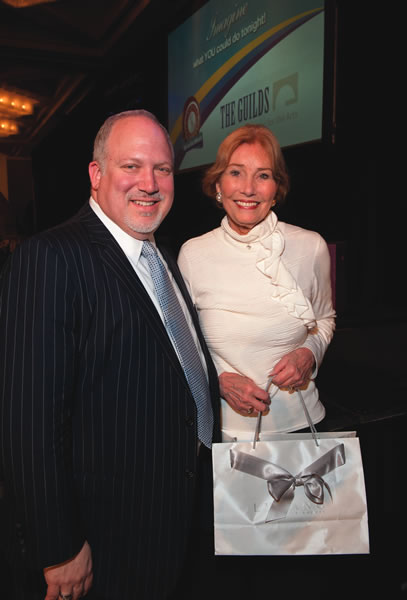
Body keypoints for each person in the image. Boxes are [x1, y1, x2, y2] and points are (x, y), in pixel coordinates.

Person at [0, 109, 220, 600]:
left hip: (177, 521)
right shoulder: (52, 258)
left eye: (162, 169)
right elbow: (29, 422)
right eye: (131, 166)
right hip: (107, 540)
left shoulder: (161, 257)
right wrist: (59, 545)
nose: (149, 183)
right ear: (96, 175)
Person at [178, 124, 335, 441]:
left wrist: (309, 354)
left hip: (302, 431)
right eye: (236, 173)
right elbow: (182, 343)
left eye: (262, 175)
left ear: (276, 188)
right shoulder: (192, 255)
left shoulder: (311, 247)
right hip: (222, 433)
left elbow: (324, 319)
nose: (248, 188)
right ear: (218, 184)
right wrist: (218, 381)